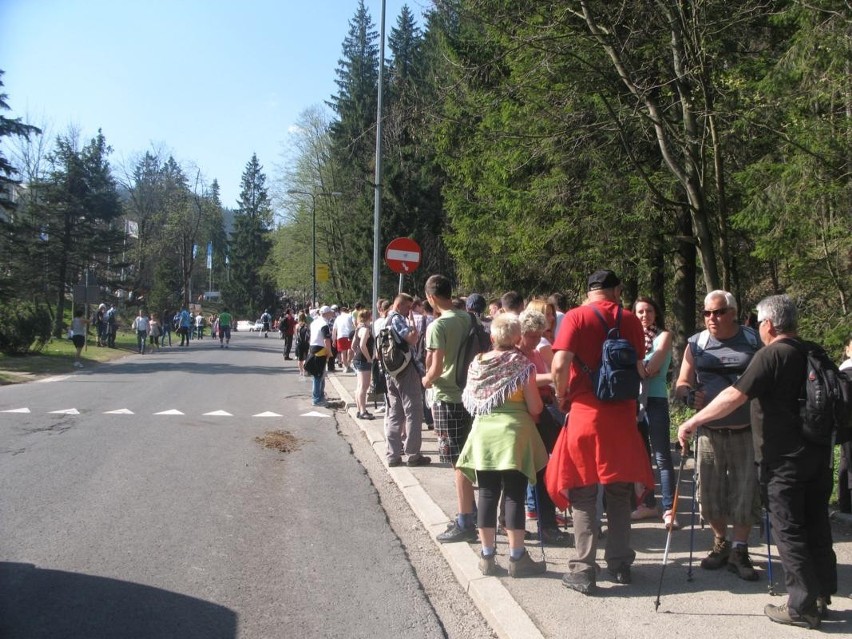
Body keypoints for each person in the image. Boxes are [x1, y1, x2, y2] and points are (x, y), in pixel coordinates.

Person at [678, 294, 836, 629]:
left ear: (767, 324)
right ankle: (821, 594)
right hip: (819, 456)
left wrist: (692, 421)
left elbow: (734, 395)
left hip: (784, 460)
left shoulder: (770, 355)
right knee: (816, 525)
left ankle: (801, 606)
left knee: (789, 530)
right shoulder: (814, 351)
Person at [546, 269, 652, 594]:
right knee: (619, 494)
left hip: (585, 415)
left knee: (583, 493)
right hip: (621, 417)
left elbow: (560, 363)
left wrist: (562, 395)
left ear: (589, 290)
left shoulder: (576, 317)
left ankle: (583, 570)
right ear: (616, 290)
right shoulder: (631, 319)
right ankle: (620, 565)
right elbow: (639, 367)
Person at [674, 290, 761, 581]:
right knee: (708, 492)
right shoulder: (696, 344)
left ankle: (740, 549)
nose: (713, 318)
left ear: (733, 312)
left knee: (745, 491)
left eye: (719, 312)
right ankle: (720, 542)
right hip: (709, 432)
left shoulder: (752, 340)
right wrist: (689, 397)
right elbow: (682, 383)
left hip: (745, 431)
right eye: (707, 313)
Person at [456, 312, 549, 577]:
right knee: (514, 495)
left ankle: (486, 557)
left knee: (486, 493)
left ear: (493, 336)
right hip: (514, 436)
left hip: (484, 433)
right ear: (517, 336)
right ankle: (517, 558)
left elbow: (471, 400)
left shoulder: (478, 363)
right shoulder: (521, 364)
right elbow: (535, 406)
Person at [422, 274, 477, 542]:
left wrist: (425, 380)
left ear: (431, 297)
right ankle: (472, 511)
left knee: (458, 463)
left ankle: (465, 521)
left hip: (447, 397)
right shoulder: (468, 318)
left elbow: (436, 367)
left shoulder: (438, 326)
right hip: (469, 395)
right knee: (467, 456)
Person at [517, 309, 573, 546]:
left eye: (538, 335)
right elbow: (525, 379)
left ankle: (545, 523)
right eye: (530, 335)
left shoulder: (533, 352)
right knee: (526, 474)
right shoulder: (515, 355)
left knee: (542, 471)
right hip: (527, 417)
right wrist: (552, 377)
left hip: (540, 414)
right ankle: (542, 526)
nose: (534, 340)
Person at [630, 296, 677, 529]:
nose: (644, 316)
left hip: (656, 400)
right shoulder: (631, 338)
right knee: (640, 457)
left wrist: (634, 363)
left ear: (656, 313)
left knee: (662, 457)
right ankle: (648, 503)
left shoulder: (663, 336)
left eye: (648, 311)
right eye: (639, 312)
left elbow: (650, 369)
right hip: (635, 402)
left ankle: (669, 508)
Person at [383, 293, 431, 467]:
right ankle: (413, 454)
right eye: (408, 307)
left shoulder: (383, 321)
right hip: (406, 370)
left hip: (391, 371)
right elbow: (411, 338)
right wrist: (413, 328)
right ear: (400, 305)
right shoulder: (397, 319)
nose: (408, 311)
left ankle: (393, 455)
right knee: (413, 412)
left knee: (395, 413)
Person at [309, 306, 335, 405]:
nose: (331, 314)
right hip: (320, 349)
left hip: (313, 348)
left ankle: (320, 395)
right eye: (330, 313)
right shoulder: (324, 324)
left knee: (320, 374)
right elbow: (326, 340)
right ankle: (317, 398)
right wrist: (329, 352)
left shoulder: (314, 322)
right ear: (326, 313)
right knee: (318, 375)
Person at [351, 309, 375, 420]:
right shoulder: (365, 329)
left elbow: (353, 346)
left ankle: (359, 409)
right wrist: (369, 358)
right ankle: (363, 411)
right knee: (364, 387)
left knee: (359, 386)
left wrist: (357, 354)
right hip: (364, 361)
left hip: (358, 359)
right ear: (368, 317)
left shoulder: (358, 328)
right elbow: (362, 345)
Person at [838, 337, 852, 514]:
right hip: (847, 421)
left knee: (846, 460)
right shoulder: (847, 370)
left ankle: (844, 504)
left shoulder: (840, 370)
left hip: (844, 422)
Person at [333, 306, 355, 373]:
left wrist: (334, 340)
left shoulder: (338, 318)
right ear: (347, 311)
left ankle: (345, 367)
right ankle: (348, 363)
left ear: (341, 311)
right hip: (349, 335)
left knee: (343, 352)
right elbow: (355, 324)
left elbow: (334, 330)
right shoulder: (350, 316)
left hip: (340, 336)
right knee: (350, 350)